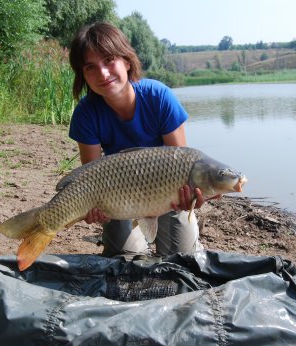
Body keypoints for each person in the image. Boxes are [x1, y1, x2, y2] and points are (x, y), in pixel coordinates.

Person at [68, 22, 212, 257]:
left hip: (167, 195)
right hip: (118, 197)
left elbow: (182, 167)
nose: (102, 74)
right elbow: (89, 177)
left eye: (109, 61)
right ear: (82, 74)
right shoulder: (86, 113)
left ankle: (189, 239)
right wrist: (93, 210)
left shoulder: (160, 98)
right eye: (90, 67)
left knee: (182, 258)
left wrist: (191, 199)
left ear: (126, 61)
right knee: (126, 258)